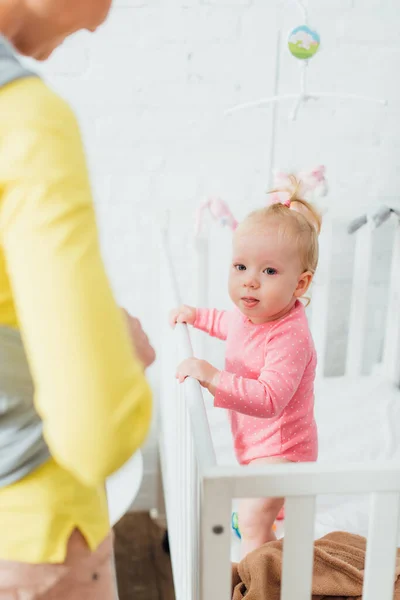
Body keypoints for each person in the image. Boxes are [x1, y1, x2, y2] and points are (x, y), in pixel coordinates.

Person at [0, 1, 155, 598]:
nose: (102, 20)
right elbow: (96, 433)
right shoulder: (24, 120)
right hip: (29, 538)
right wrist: (118, 355)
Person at [171, 177, 320, 558]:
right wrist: (196, 316)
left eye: (269, 272)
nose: (250, 282)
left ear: (300, 284)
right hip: (255, 441)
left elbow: (270, 399)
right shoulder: (252, 313)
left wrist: (212, 377)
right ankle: (275, 508)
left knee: (253, 522)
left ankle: (264, 580)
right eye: (240, 266)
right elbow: (228, 325)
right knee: (262, 503)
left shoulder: (290, 336)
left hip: (283, 450)